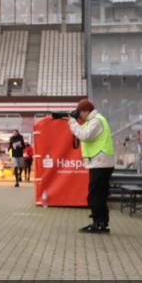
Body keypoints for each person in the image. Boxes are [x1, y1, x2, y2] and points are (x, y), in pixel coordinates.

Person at [52, 99, 115, 233]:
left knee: (95, 195)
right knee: (100, 195)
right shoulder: (94, 120)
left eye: (80, 112)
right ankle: (102, 223)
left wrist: (72, 122)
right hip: (101, 162)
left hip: (100, 162)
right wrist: (75, 122)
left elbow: (84, 135)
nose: (79, 115)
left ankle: (99, 223)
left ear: (86, 111)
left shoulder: (97, 121)